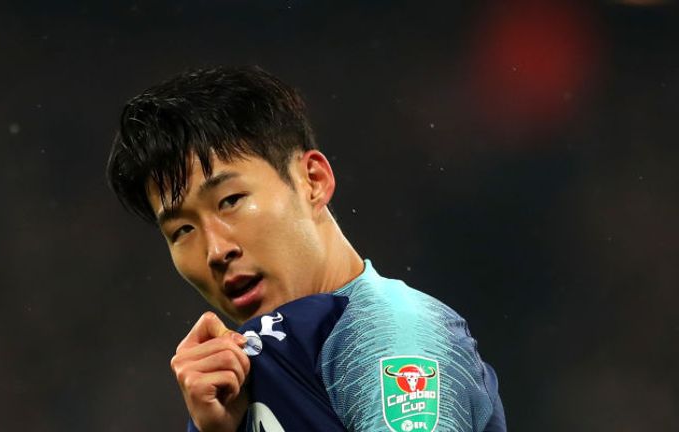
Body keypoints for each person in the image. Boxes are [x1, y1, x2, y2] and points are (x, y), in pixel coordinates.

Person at [106, 66, 506, 432]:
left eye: (230, 200)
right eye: (183, 230)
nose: (215, 250)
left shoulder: (389, 336)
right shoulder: (241, 379)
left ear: (312, 180)